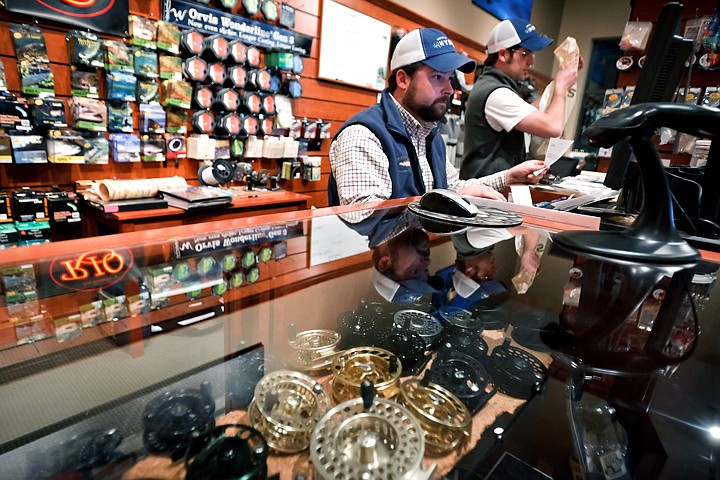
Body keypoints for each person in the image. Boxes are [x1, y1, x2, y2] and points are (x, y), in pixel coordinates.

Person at [328, 27, 546, 207]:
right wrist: (446, 201)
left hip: (419, 253)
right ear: (403, 80)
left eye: (450, 78)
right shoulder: (363, 136)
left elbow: (453, 187)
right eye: (437, 77)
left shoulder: (429, 134)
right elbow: (365, 215)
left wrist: (508, 177)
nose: (449, 89)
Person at [460, 18, 580, 180]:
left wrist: (560, 82)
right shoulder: (496, 93)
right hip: (485, 196)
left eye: (532, 54)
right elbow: (553, 127)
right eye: (525, 53)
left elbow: (533, 111)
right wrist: (561, 86)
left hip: (492, 192)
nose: (531, 61)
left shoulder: (495, 87)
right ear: (503, 54)